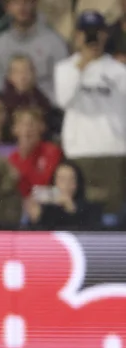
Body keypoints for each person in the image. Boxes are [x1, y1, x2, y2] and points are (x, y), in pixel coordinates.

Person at [55, 10, 126, 213]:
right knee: (80, 213)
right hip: (79, 150)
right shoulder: (65, 68)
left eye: (97, 32)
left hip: (113, 151)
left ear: (105, 34)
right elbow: (63, 100)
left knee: (112, 214)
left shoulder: (119, 70)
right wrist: (83, 63)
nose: (93, 37)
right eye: (87, 32)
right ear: (77, 36)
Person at [0, 0, 69, 102]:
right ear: (7, 8)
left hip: (46, 110)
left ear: (35, 4)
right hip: (9, 112)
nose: (22, 7)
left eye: (26, 2)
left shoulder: (55, 43)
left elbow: (64, 90)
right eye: (16, 3)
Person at [25, 161, 102, 229]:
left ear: (78, 183)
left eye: (71, 179)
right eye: (62, 179)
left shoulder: (92, 207)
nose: (66, 184)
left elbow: (92, 234)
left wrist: (71, 208)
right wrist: (36, 219)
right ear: (54, 182)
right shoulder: (46, 208)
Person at [8, 107, 62, 197]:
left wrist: (25, 157)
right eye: (21, 125)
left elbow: (44, 184)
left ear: (42, 127)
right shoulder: (12, 158)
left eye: (31, 124)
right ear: (14, 129)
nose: (26, 130)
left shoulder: (52, 151)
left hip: (50, 199)